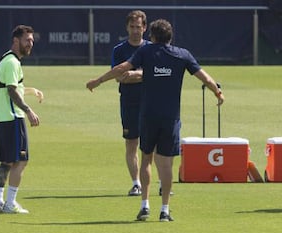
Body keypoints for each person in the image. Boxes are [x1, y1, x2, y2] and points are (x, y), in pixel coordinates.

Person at [86, 19, 224, 222]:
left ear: (151, 36)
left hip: (148, 116)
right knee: (166, 164)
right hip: (170, 118)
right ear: (171, 37)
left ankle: (145, 205)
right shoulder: (182, 55)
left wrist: (98, 81)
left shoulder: (145, 52)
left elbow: (121, 68)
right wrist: (217, 92)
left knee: (146, 159)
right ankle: (165, 210)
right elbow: (205, 77)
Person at [0, 25, 44, 214]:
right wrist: (28, 110)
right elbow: (12, 91)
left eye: (32, 41)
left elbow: (10, 87)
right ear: (16, 41)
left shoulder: (6, 60)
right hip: (13, 118)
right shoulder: (13, 62)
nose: (30, 44)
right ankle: (10, 203)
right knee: (21, 161)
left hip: (2, 118)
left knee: (7, 162)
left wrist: (30, 90)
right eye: (27, 40)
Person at [111, 10, 149, 196]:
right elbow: (119, 77)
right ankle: (136, 183)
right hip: (128, 102)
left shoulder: (151, 48)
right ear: (127, 27)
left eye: (139, 27)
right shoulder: (119, 50)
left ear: (145, 27)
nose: (135, 31)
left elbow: (155, 75)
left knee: (153, 145)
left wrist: (135, 74)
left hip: (150, 102)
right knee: (131, 143)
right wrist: (143, 75)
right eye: (132, 27)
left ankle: (156, 182)